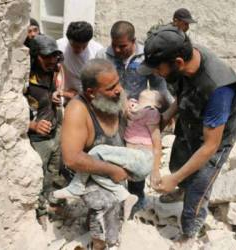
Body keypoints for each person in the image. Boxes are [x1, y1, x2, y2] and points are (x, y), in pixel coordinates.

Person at [138, 26, 236, 248]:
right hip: (191, 120)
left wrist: (172, 180)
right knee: (179, 159)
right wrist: (166, 116)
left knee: (198, 185)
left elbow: (210, 146)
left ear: (178, 63)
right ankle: (181, 188)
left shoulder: (218, 88)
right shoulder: (185, 59)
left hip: (215, 140)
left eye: (158, 69)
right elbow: (183, 93)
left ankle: (189, 232)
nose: (157, 73)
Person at [96, 20, 174, 212]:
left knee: (137, 159)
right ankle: (114, 199)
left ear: (133, 41)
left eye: (122, 46)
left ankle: (137, 200)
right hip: (110, 114)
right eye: (114, 45)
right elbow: (95, 84)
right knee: (111, 155)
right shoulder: (103, 56)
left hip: (137, 119)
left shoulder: (144, 58)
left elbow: (158, 85)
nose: (117, 49)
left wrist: (167, 110)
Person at [54, 89, 165, 220]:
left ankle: (76, 187)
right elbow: (129, 109)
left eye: (145, 102)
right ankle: (124, 196)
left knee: (96, 152)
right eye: (138, 100)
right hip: (131, 160)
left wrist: (156, 170)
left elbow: (157, 143)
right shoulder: (136, 112)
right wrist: (127, 104)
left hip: (142, 158)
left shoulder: (151, 113)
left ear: (155, 107)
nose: (138, 104)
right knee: (97, 167)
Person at [61, 58, 130, 250]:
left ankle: (112, 236)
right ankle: (99, 244)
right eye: (110, 87)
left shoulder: (116, 93)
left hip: (113, 164)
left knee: (119, 203)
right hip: (84, 171)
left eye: (118, 82)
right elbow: (71, 158)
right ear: (91, 92)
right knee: (104, 202)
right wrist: (112, 170)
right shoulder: (77, 110)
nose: (118, 90)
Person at [24, 34, 66, 229]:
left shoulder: (52, 70)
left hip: (54, 133)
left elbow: (52, 90)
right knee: (38, 176)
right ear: (35, 56)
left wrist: (55, 96)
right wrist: (33, 125)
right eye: (46, 57)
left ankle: (47, 202)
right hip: (37, 140)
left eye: (54, 56)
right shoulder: (25, 80)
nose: (51, 61)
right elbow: (9, 113)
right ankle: (39, 212)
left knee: (52, 173)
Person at [56, 21, 103, 102]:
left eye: (84, 46)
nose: (80, 50)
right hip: (65, 96)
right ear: (68, 40)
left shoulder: (98, 52)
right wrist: (62, 93)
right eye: (75, 46)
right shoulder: (59, 46)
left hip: (88, 99)